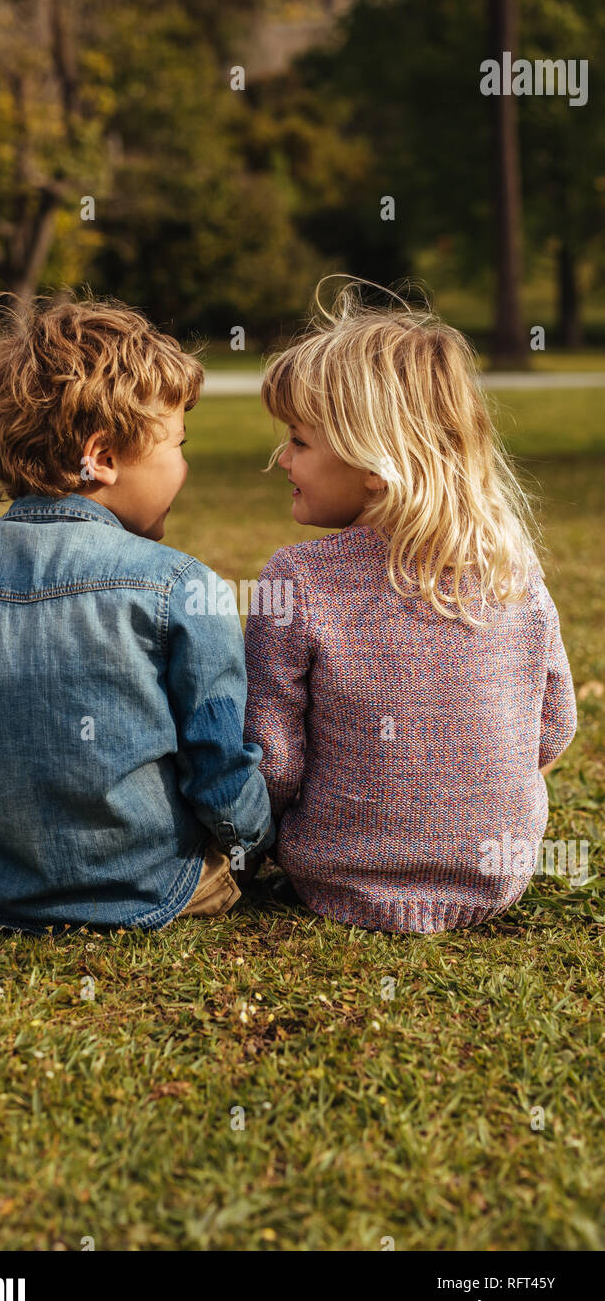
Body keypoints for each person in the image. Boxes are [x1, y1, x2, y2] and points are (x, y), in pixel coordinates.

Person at [0, 295, 273, 933]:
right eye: (178, 443)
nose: (186, 463)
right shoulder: (180, 586)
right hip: (152, 889)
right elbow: (220, 775)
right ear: (101, 458)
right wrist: (260, 842)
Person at [244, 281, 577, 933]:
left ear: (373, 465)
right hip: (494, 874)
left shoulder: (299, 581)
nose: (280, 459)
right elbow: (552, 726)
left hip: (333, 874)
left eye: (298, 442)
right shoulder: (515, 572)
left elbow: (273, 763)